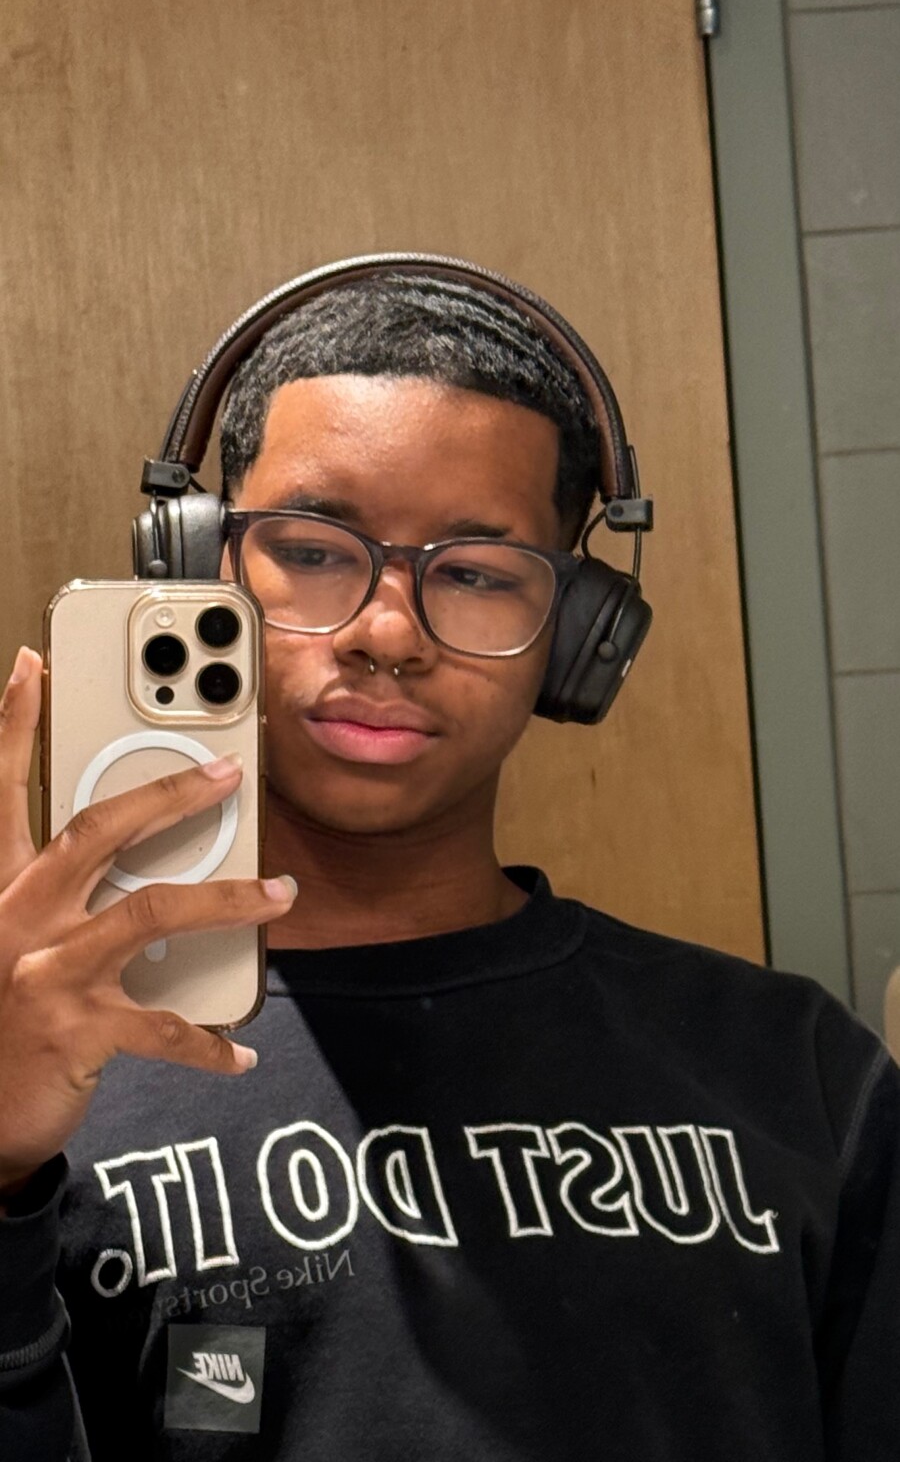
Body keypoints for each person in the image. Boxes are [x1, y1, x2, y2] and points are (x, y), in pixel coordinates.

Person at [0, 265, 898, 1462]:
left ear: (578, 636)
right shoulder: (50, 1067)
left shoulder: (796, 1071)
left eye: (475, 573)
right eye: (314, 549)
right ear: (205, 570)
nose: (388, 633)